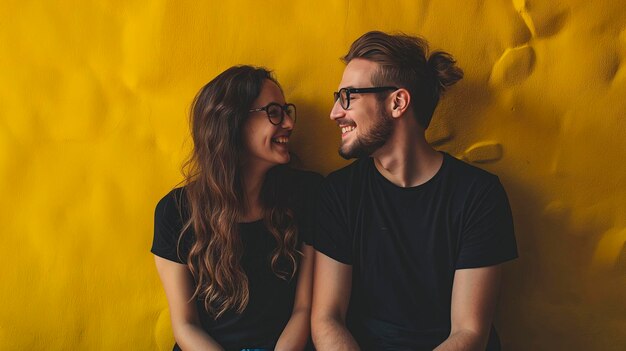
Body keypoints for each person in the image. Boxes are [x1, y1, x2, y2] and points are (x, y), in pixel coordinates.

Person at [311, 31, 518, 350]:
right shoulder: (339, 193)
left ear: (397, 102)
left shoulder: (478, 195)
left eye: (348, 96)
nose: (335, 112)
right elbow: (327, 319)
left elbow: (469, 332)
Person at [151, 65, 321, 351]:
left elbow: (303, 309)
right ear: (233, 123)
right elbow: (185, 326)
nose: (289, 123)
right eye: (274, 112)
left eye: (286, 110)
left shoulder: (307, 194)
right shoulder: (176, 211)